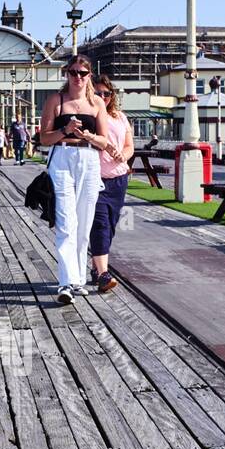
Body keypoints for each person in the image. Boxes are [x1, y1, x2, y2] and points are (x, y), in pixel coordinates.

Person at [38, 54, 123, 305]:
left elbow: (104, 141)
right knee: (66, 220)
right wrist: (65, 130)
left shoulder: (97, 103)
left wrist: (85, 134)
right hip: (63, 158)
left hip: (88, 159)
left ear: (90, 75)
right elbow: (44, 138)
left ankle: (78, 280)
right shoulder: (56, 100)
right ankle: (65, 281)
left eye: (82, 73)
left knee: (84, 222)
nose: (78, 77)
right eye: (73, 72)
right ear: (67, 73)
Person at [88, 75, 133, 295]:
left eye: (107, 93)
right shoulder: (90, 116)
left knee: (111, 225)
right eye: (98, 93)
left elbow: (129, 146)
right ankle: (104, 274)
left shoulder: (120, 117)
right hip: (95, 178)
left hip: (118, 178)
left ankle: (96, 267)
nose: (103, 97)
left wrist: (122, 156)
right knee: (100, 225)